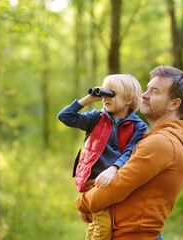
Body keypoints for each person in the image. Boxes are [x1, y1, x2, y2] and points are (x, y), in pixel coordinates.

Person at [75, 65, 183, 240]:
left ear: (174, 104)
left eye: (155, 92)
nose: (144, 95)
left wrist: (82, 203)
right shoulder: (163, 139)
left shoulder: (161, 143)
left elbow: (116, 187)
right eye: (147, 89)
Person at [57, 74, 148, 240]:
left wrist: (114, 169)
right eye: (103, 94)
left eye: (111, 93)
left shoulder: (139, 127)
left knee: (101, 226)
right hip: (94, 183)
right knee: (103, 228)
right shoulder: (96, 118)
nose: (105, 98)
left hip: (116, 182)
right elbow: (65, 117)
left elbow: (131, 152)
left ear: (128, 99)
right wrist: (89, 99)